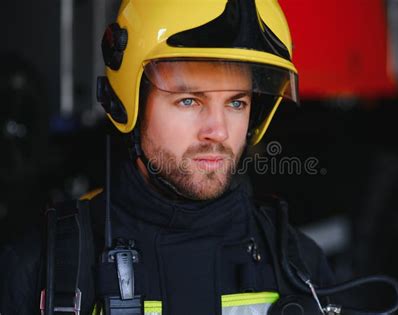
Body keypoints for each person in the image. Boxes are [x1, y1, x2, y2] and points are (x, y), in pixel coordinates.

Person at [0, 1, 337, 314]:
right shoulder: (44, 268)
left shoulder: (300, 265)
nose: (218, 132)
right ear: (131, 101)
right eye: (189, 100)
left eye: (236, 102)